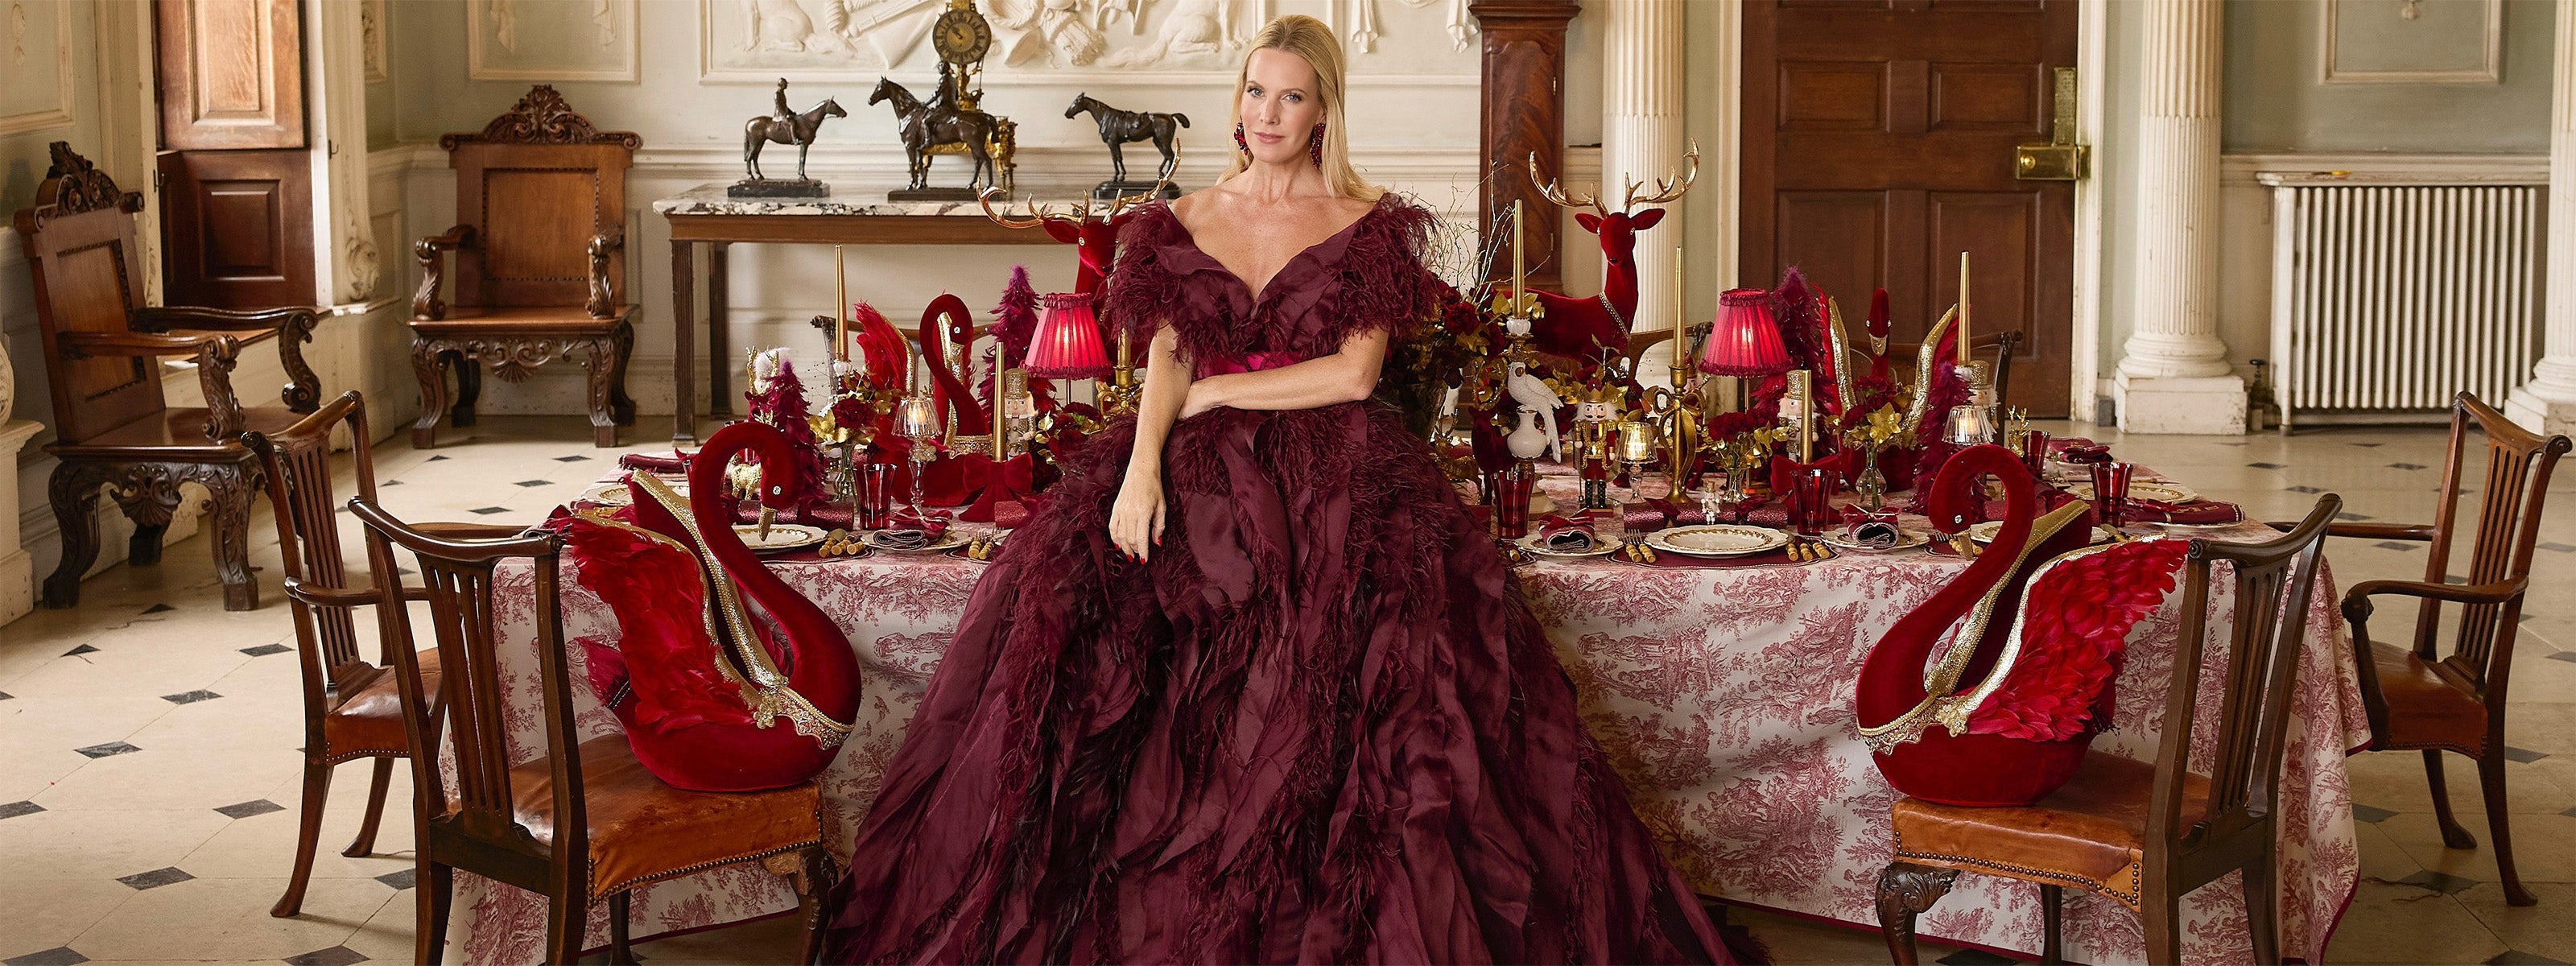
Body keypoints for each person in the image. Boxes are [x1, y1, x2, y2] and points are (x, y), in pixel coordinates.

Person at [821, 14, 1747, 964]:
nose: (1267, 112)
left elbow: (1352, 374)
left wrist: (1222, 391)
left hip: (1331, 479)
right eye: (1255, 91)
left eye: (1291, 96)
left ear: (1321, 113)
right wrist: (1138, 472)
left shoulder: (1366, 224)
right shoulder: (1181, 216)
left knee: (1352, 699)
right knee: (1096, 665)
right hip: (1186, 474)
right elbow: (1167, 358)